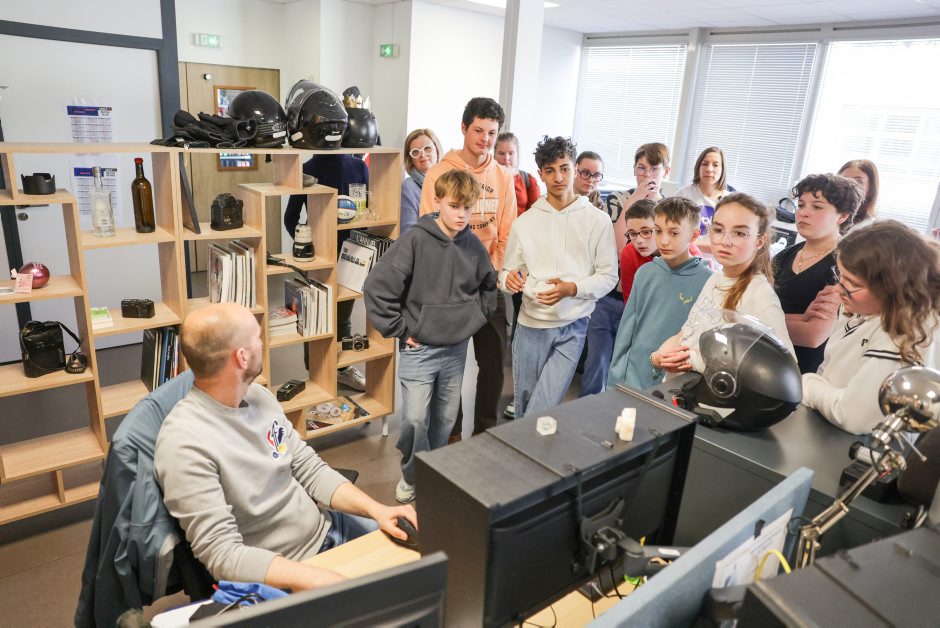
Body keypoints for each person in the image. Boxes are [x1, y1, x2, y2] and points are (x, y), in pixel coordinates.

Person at [154, 303, 416, 591]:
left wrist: (377, 510)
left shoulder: (259, 397)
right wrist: (316, 577)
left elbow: (310, 470)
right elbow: (223, 555)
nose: (262, 343)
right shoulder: (184, 444)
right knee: (399, 598)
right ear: (242, 357)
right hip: (286, 571)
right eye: (256, 338)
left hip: (328, 529)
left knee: (424, 562)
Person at [365, 170, 497, 503]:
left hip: (456, 348)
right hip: (419, 348)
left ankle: (434, 473)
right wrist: (400, 330)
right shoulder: (414, 240)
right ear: (437, 201)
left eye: (468, 208)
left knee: (446, 418)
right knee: (414, 419)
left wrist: (474, 318)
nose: (461, 215)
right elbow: (376, 287)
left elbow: (488, 285)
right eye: (454, 206)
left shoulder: (473, 245)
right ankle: (412, 475)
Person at [419, 97, 517, 438]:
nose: (485, 139)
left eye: (492, 132)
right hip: (452, 287)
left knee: (493, 364)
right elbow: (430, 228)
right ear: (463, 128)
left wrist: (492, 272)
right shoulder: (439, 173)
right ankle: (453, 432)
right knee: (451, 367)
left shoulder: (503, 176)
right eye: (478, 130)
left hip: (490, 285)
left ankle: (485, 432)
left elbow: (508, 231)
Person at [500, 136, 617, 418]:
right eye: (550, 170)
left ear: (574, 169)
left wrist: (572, 288)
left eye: (564, 168)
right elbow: (508, 272)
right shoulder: (525, 222)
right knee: (524, 408)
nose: (559, 177)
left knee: (542, 409)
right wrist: (509, 280)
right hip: (530, 326)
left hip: (573, 326)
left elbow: (608, 276)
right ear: (540, 174)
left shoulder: (597, 221)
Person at [802, 220, 940, 433]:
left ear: (891, 287)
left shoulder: (899, 333)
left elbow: (852, 416)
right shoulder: (865, 309)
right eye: (840, 275)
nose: (839, 289)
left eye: (853, 283)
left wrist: (808, 384)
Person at [654, 193, 795, 376]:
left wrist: (695, 361)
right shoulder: (717, 277)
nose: (724, 241)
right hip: (679, 386)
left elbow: (785, 369)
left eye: (739, 233)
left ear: (759, 241)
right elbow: (688, 332)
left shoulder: (760, 296)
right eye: (718, 230)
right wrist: (660, 356)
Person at [608, 197, 712, 390]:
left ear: (694, 235)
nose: (663, 240)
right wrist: (614, 383)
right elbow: (626, 331)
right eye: (658, 231)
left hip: (676, 384)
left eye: (674, 233)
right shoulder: (645, 273)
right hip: (634, 376)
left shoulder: (708, 281)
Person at [285, 153, 369, 391]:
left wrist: (364, 249)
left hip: (352, 255)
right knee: (313, 315)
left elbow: (366, 210)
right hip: (318, 257)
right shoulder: (306, 169)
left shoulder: (359, 166)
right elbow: (290, 217)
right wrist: (306, 244)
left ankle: (341, 369)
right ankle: (316, 371)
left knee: (342, 317)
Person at [773, 174, 862, 374]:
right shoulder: (784, 256)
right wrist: (799, 318)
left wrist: (759, 321)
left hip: (804, 373)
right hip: (766, 358)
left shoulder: (845, 264)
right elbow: (753, 306)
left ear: (842, 216)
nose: (804, 213)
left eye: (817, 207)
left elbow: (812, 335)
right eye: (801, 205)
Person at [579, 198, 655, 397]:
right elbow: (631, 300)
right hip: (616, 304)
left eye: (646, 232)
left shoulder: (672, 256)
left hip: (651, 319)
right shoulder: (629, 252)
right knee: (598, 360)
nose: (639, 240)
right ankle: (589, 404)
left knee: (632, 368)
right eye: (633, 234)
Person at [606, 143, 671, 255]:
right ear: (634, 170)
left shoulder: (670, 207)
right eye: (641, 168)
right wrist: (635, 198)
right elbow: (617, 248)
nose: (648, 175)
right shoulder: (616, 199)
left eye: (654, 169)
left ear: (666, 172)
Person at [674, 146, 736, 254]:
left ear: (722, 170)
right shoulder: (683, 195)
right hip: (684, 257)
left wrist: (689, 242)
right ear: (698, 167)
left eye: (715, 165)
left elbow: (728, 244)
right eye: (705, 164)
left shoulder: (731, 202)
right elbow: (673, 232)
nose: (709, 169)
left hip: (717, 261)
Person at [400, 128, 443, 233]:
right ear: (411, 159)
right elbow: (408, 233)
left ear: (437, 150)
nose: (422, 155)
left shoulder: (451, 182)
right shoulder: (408, 187)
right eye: (415, 152)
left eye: (427, 149)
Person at [495, 131, 541, 213]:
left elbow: (536, 213)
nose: (506, 158)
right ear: (494, 155)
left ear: (517, 155)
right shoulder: (485, 178)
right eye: (501, 153)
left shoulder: (528, 180)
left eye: (511, 153)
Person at [837, 159, 879, 226]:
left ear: (870, 188)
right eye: (843, 179)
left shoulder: (869, 226)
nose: (849, 186)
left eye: (858, 181)